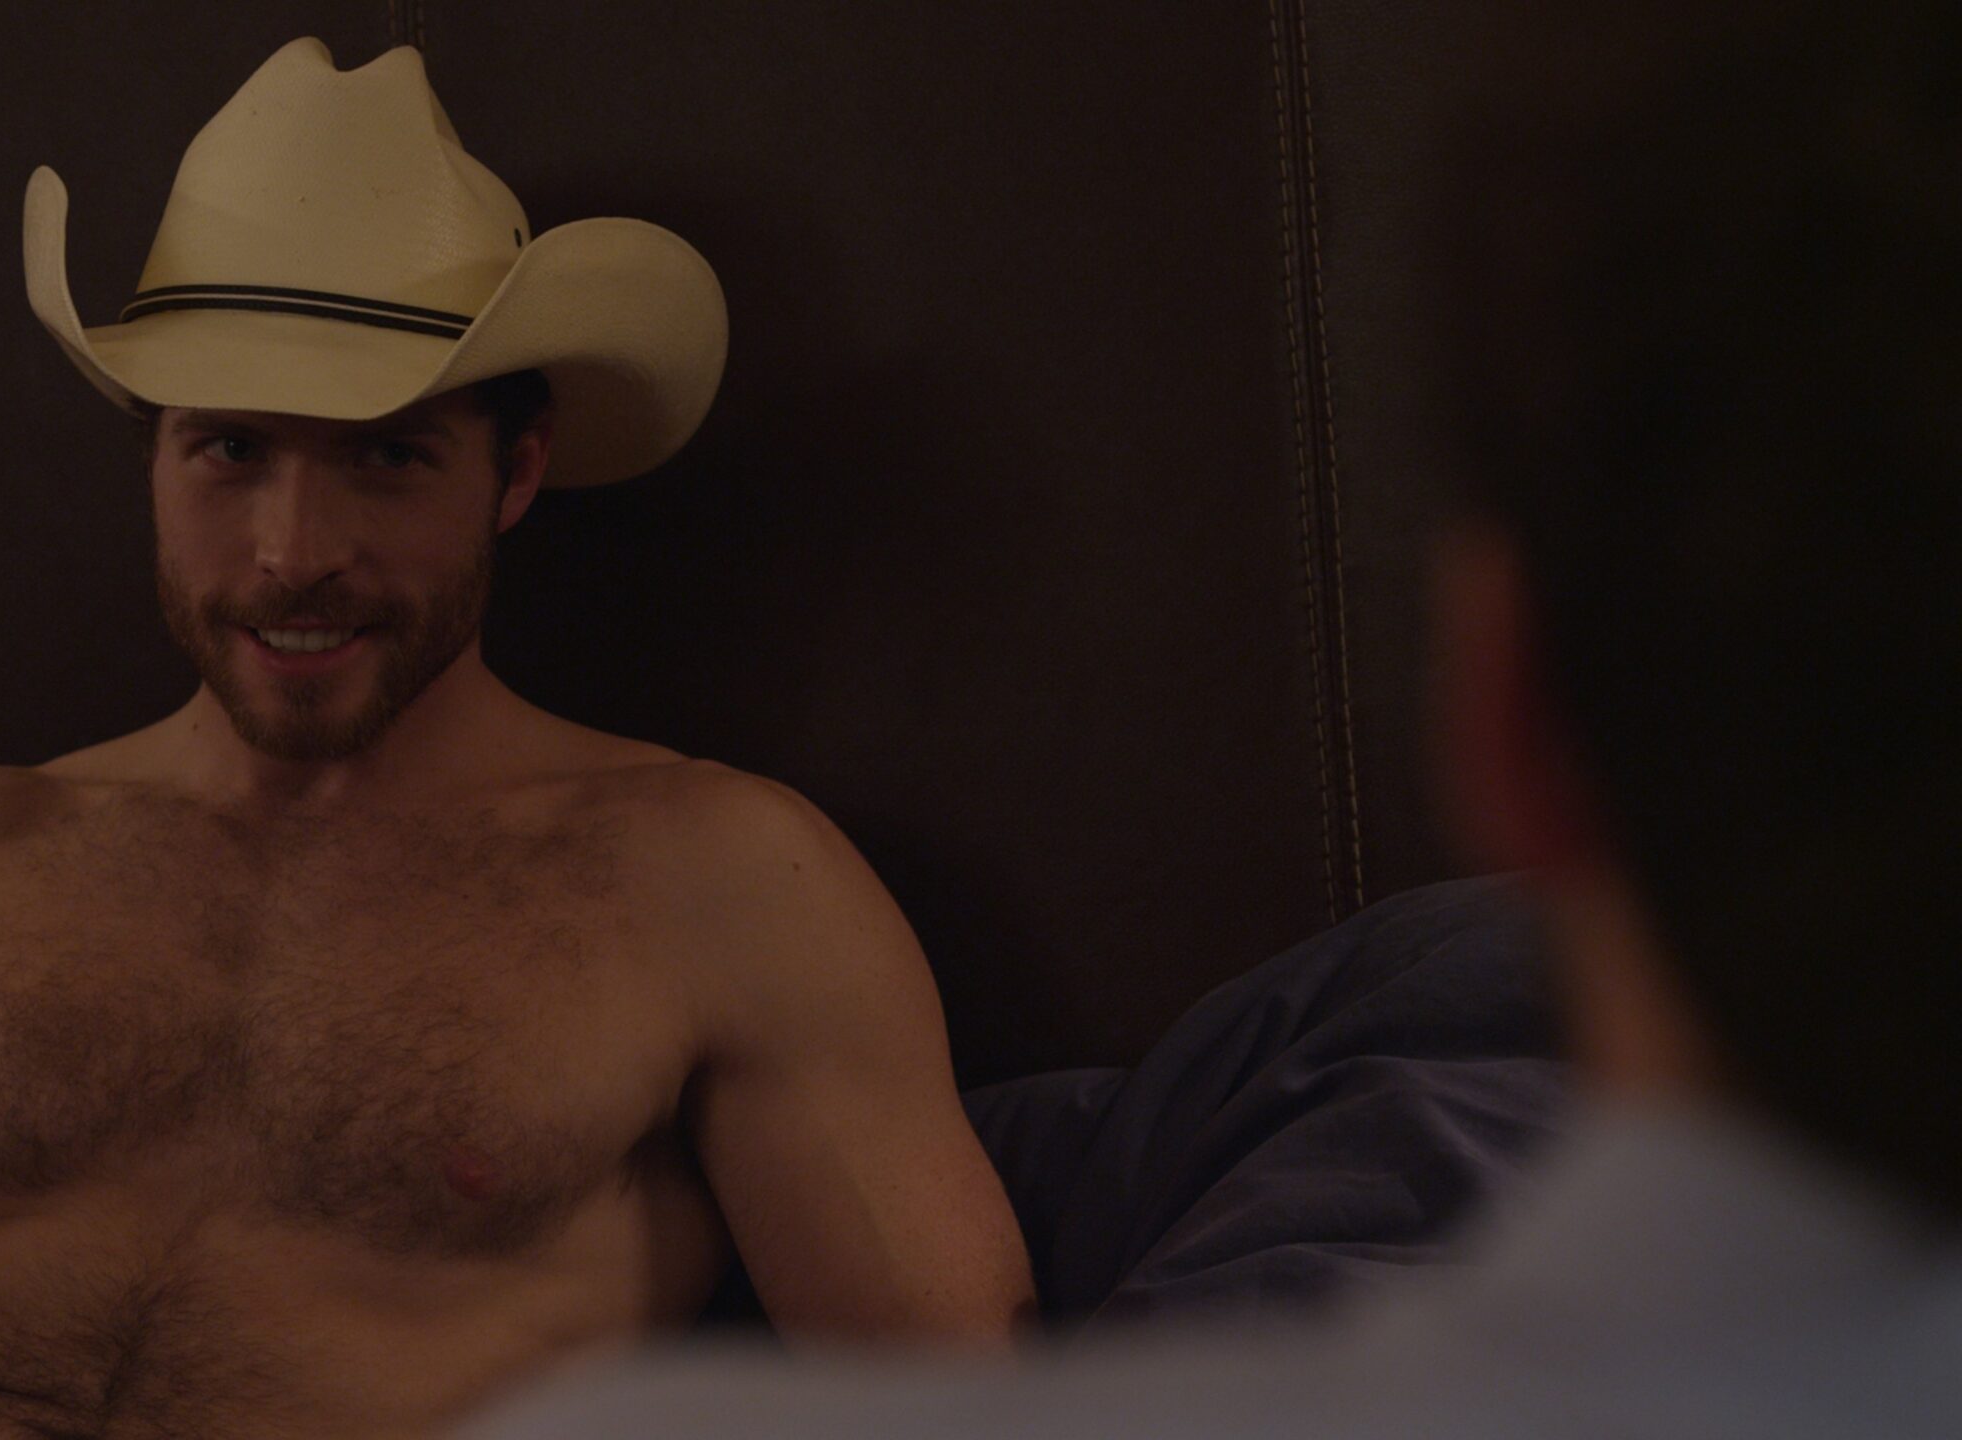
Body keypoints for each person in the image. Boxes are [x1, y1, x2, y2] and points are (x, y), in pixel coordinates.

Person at [0, 37, 1033, 1439]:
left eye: (387, 457)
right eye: (231, 450)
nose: (291, 551)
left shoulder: (723, 882)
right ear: (153, 457)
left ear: (518, 470)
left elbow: (978, 1412)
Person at [460, 2, 1962, 1436]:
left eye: (390, 456)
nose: (326, 545)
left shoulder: (711, 886)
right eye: (284, 446)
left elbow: (956, 1370)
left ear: (1507, 725)